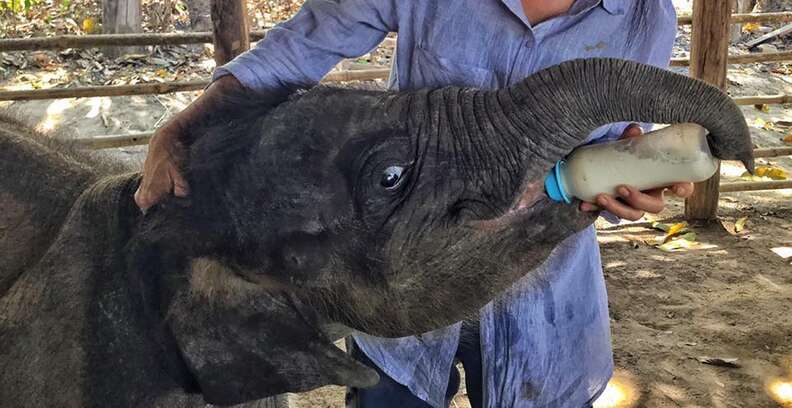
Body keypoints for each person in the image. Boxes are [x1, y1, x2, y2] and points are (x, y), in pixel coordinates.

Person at [135, 1, 692, 406]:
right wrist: (184, 124)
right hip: (397, 282)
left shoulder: (644, 15)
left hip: (545, 298)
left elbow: (608, 145)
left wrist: (631, 180)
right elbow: (304, 41)